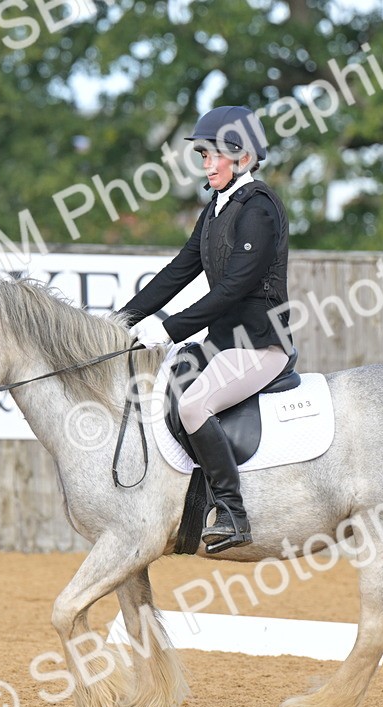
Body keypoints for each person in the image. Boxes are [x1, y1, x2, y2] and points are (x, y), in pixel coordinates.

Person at [118, 105, 292, 555]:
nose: (207, 165)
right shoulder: (217, 207)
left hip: (260, 345)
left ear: (243, 157)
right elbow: (179, 270)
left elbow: (234, 288)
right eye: (203, 156)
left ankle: (233, 513)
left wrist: (169, 329)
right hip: (222, 344)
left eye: (215, 155)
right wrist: (122, 320)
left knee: (195, 406)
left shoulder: (259, 209)